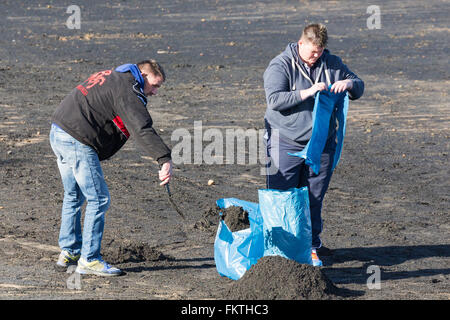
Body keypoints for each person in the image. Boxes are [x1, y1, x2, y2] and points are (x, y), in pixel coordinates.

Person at [50, 60, 172, 276]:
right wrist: (164, 158)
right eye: (154, 85)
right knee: (99, 198)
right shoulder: (126, 89)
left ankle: (69, 252)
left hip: (59, 131)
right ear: (143, 75)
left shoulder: (114, 76)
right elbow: (141, 127)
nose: (155, 92)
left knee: (74, 196)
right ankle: (89, 260)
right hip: (77, 138)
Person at [263, 24, 364, 266]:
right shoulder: (280, 64)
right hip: (284, 140)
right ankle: (278, 251)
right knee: (282, 196)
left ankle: (310, 245)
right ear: (301, 44)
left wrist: (349, 85)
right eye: (312, 51)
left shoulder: (332, 63)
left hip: (321, 143)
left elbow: (358, 84)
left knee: (313, 197)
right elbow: (275, 100)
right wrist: (307, 92)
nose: (316, 56)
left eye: (320, 52)